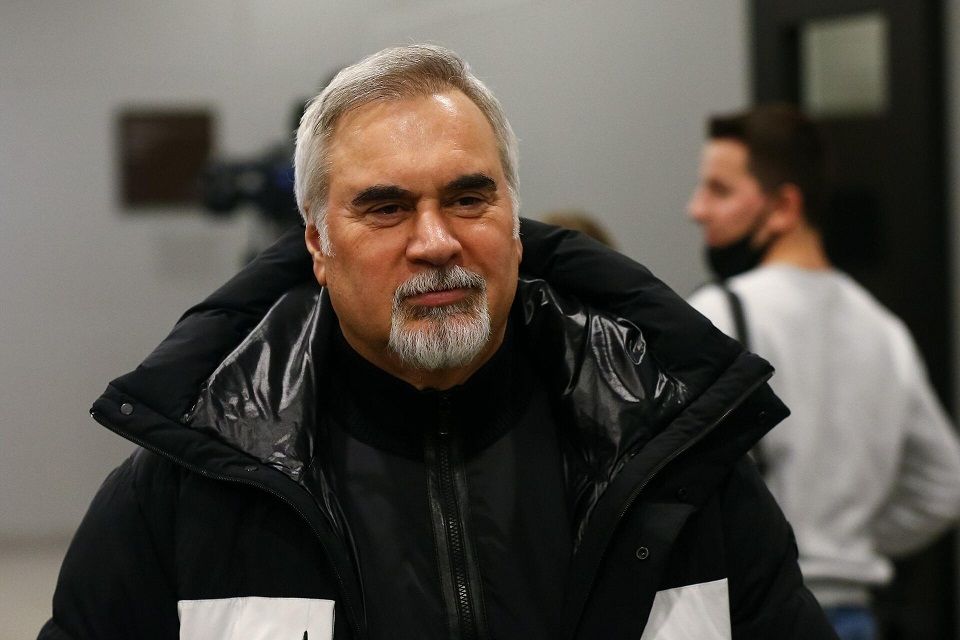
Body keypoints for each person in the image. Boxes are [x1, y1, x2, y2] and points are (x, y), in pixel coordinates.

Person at [40, 46, 837, 639]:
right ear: (317, 243)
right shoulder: (185, 490)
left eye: (467, 198)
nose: (435, 242)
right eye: (385, 208)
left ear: (515, 224)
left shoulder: (673, 457)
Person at [686, 103, 960, 639]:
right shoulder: (885, 330)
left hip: (758, 612)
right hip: (854, 618)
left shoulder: (717, 314)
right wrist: (848, 547)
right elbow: (943, 484)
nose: (696, 209)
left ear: (784, 207)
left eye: (719, 190)